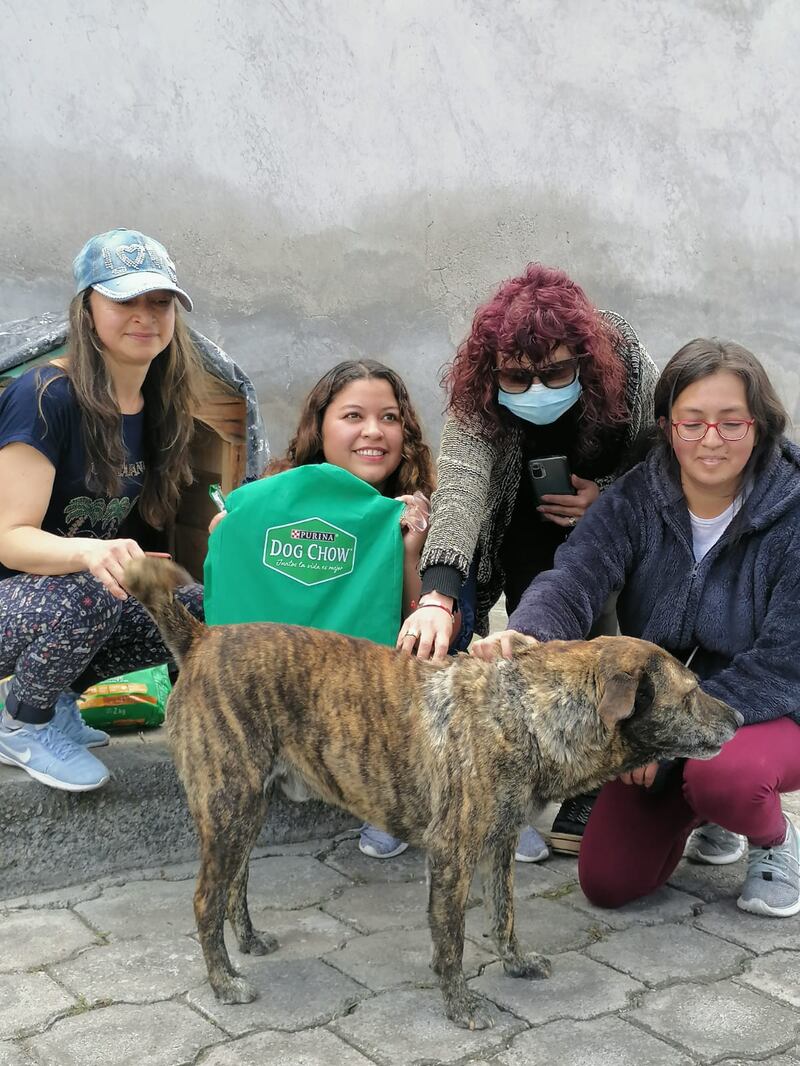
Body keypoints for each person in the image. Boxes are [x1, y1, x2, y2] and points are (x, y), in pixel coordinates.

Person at [471, 338, 800, 917]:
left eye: (731, 422)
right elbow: (574, 577)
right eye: (692, 422)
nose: (711, 439)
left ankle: (772, 840)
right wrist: (527, 636)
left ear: (760, 424)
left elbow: (784, 661)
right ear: (668, 426)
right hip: (666, 708)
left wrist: (663, 736)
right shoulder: (636, 497)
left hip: (773, 705)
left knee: (724, 773)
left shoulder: (792, 510)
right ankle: (709, 812)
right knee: (608, 881)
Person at [398, 263, 658, 861]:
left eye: (557, 372)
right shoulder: (478, 380)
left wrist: (610, 493)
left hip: (607, 513)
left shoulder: (625, 353)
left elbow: (656, 449)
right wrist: (437, 594)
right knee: (531, 634)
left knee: (604, 635)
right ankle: (503, 784)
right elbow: (463, 481)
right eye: (517, 379)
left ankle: (589, 782)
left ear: (587, 361)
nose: (538, 389)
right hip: (517, 519)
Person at [0, 228, 204, 792]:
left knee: (194, 602)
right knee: (93, 586)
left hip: (58, 600)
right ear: (88, 310)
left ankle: (60, 698)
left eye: (158, 302)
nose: (145, 316)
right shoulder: (45, 395)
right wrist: (93, 551)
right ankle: (23, 722)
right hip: (11, 598)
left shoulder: (157, 404)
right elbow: (8, 538)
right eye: (123, 300)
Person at [211, 359, 436, 857]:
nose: (374, 432)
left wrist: (410, 553)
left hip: (368, 703)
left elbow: (427, 630)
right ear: (320, 426)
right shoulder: (269, 501)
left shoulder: (417, 510)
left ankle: (397, 797)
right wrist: (230, 538)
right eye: (353, 416)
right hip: (281, 701)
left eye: (390, 418)